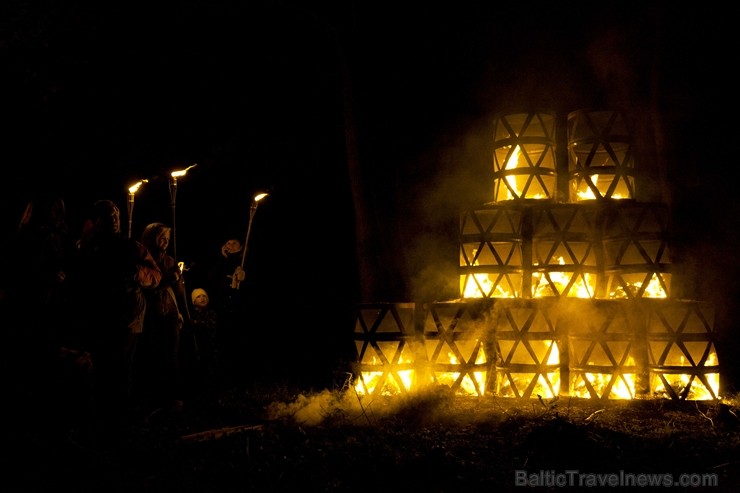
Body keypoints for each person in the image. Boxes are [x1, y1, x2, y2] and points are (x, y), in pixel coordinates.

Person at [70, 199, 162, 446]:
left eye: (115, 216)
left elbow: (155, 276)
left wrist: (136, 272)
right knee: (101, 371)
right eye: (107, 217)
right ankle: (103, 423)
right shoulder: (89, 248)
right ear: (97, 221)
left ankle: (119, 423)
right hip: (100, 319)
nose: (113, 220)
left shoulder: (131, 247)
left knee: (121, 371)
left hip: (128, 319)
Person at [136, 222, 188, 416]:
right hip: (151, 314)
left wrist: (179, 282)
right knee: (152, 354)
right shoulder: (143, 259)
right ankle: (152, 397)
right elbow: (150, 285)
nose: (165, 241)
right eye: (161, 237)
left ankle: (174, 397)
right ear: (151, 237)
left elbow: (176, 290)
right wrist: (169, 279)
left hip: (170, 314)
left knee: (172, 355)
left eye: (167, 238)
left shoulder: (169, 260)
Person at [182, 287, 220, 401]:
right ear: (194, 301)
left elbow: (209, 326)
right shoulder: (190, 315)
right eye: (198, 296)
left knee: (210, 370)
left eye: (204, 296)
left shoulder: (211, 313)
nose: (202, 298)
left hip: (210, 348)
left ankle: (212, 394)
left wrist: (196, 324)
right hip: (197, 348)